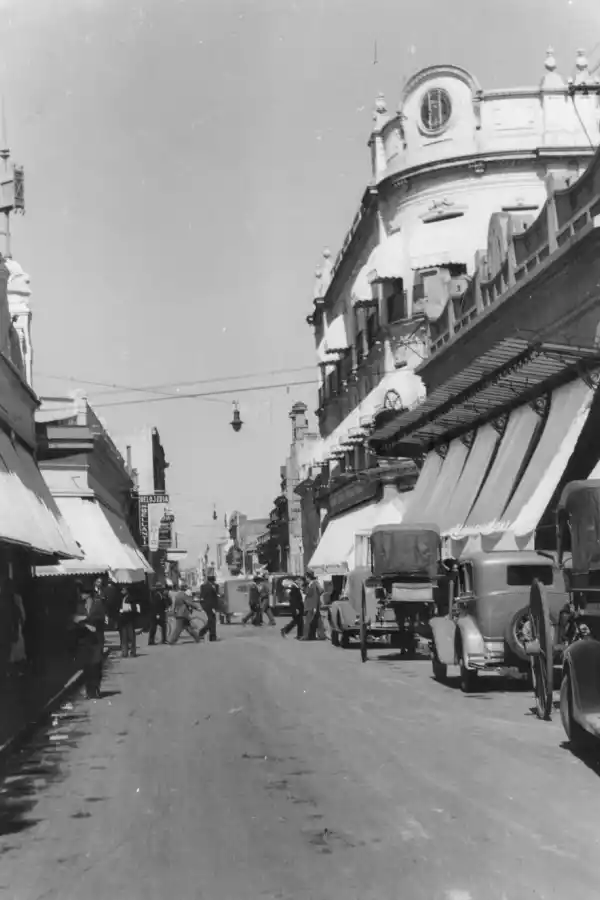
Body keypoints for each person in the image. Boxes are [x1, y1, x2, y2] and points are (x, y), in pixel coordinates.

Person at [74, 579, 106, 699]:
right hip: (84, 640)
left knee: (96, 666)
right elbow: (75, 620)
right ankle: (89, 691)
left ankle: (96, 688)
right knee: (87, 667)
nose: (81, 595)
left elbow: (101, 618)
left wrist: (89, 621)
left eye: (83, 593)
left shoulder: (98, 604)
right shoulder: (79, 606)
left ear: (88, 594)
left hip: (97, 640)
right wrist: (85, 623)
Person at [118, 586, 139, 657]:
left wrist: (125, 608)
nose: (121, 591)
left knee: (131, 636)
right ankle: (124, 652)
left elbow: (133, 608)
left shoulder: (131, 598)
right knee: (124, 637)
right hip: (123, 620)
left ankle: (133, 652)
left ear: (127, 590)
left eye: (123, 590)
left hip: (129, 619)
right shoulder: (122, 598)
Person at [197, 575, 220, 642]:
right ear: (213, 580)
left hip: (206, 605)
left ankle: (212, 636)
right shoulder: (215, 586)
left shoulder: (203, 586)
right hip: (211, 606)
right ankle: (204, 633)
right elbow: (216, 596)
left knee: (212, 620)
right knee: (212, 620)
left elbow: (201, 597)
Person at [302, 570, 324, 641]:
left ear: (308, 577)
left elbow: (314, 596)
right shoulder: (313, 584)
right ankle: (322, 635)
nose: (305, 579)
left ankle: (305, 636)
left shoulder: (313, 584)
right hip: (314, 605)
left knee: (308, 621)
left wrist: (314, 607)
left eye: (306, 577)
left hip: (312, 606)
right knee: (319, 621)